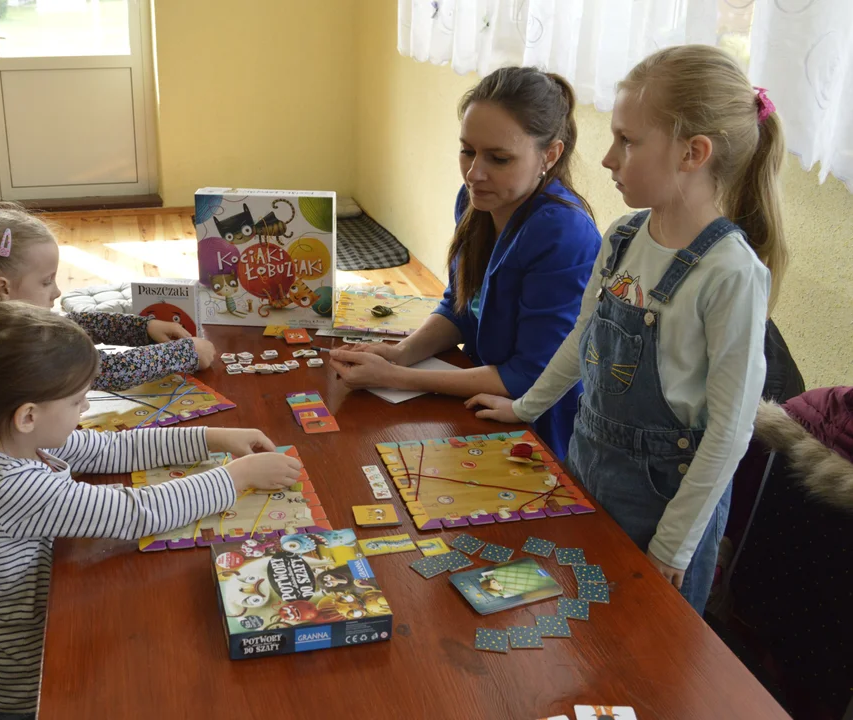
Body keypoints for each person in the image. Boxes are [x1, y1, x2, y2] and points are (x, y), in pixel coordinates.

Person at [0, 302, 302, 719]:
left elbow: (113, 447)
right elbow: (138, 513)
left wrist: (213, 439)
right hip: (30, 686)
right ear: (28, 415)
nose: (86, 409)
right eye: (77, 402)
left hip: (45, 633)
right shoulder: (10, 485)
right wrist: (237, 477)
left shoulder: (3, 435)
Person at [468, 45, 787, 614]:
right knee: (577, 613)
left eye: (628, 141)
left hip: (665, 504)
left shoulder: (731, 273)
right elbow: (583, 338)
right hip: (589, 464)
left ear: (693, 153)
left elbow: (730, 432)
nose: (610, 159)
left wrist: (673, 545)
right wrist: (524, 408)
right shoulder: (621, 237)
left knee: (645, 650)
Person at [329, 67, 602, 459]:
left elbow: (529, 376)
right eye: (467, 151)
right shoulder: (475, 201)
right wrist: (402, 352)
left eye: (499, 158)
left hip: (538, 428)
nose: (475, 174)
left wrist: (397, 377)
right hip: (480, 398)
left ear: (550, 154)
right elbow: (460, 306)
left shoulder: (562, 234)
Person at [0, 204, 217, 390]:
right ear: (4, 288)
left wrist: (144, 327)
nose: (57, 292)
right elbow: (112, 370)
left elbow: (71, 323)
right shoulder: (14, 347)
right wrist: (186, 352)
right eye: (46, 281)